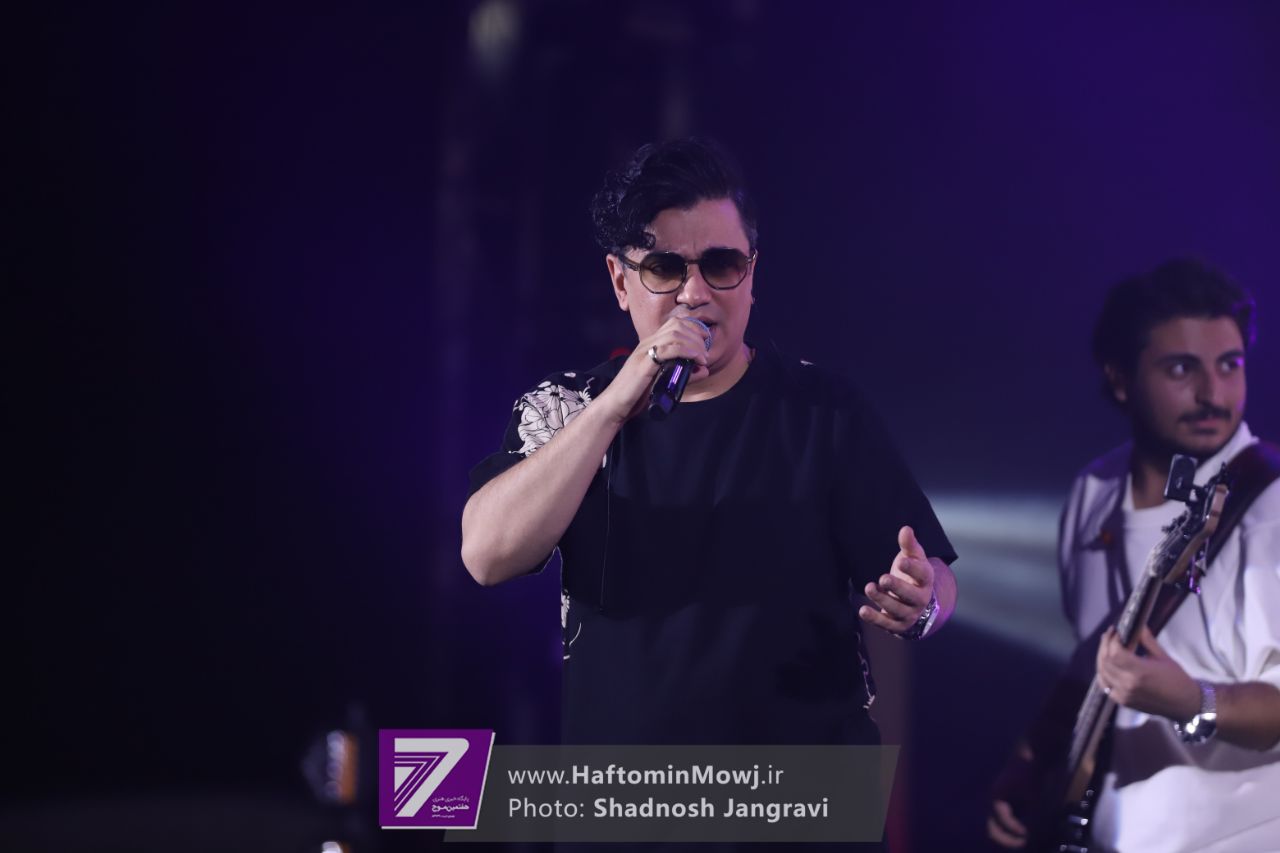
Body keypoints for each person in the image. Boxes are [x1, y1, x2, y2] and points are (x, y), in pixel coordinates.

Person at [461, 137, 958, 751]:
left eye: (721, 265)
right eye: (665, 268)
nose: (694, 293)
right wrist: (613, 406)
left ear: (752, 275)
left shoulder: (823, 410)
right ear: (620, 281)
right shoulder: (564, 408)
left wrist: (924, 603)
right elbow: (486, 555)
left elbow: (932, 574)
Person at [988, 259, 1280, 852]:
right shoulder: (1093, 491)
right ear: (1120, 379)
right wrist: (1031, 760)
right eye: (1182, 368)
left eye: (1230, 365)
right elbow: (1090, 660)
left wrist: (1194, 701)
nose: (1213, 394)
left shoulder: (1271, 504)